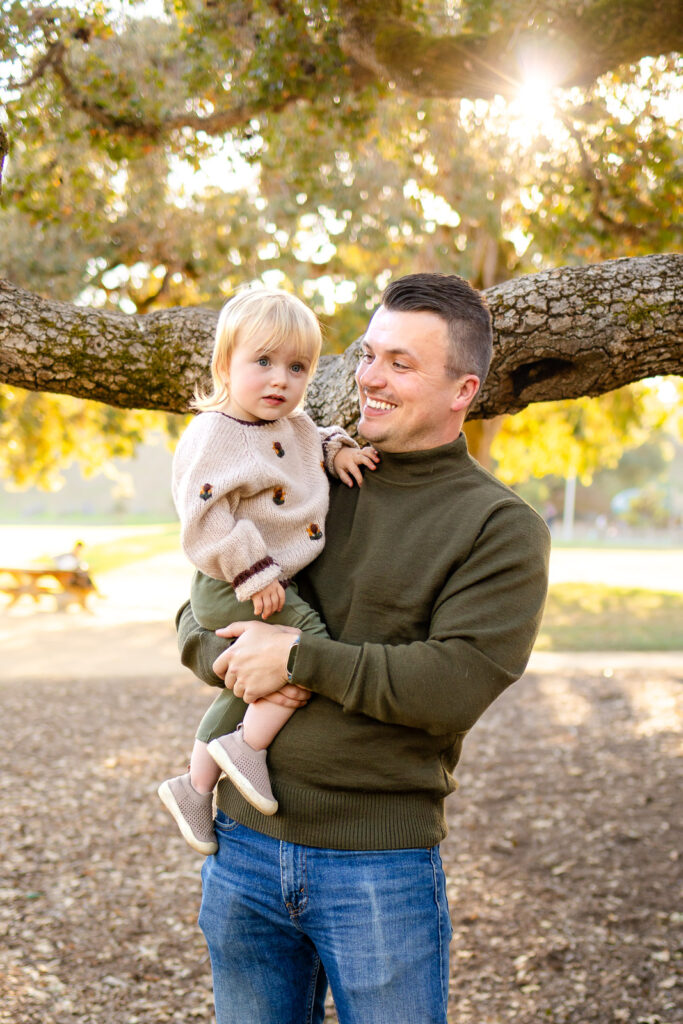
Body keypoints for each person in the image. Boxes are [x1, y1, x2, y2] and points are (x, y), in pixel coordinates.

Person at [176, 272, 551, 1024]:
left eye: (401, 364)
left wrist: (293, 659)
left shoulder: (498, 527)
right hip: (245, 850)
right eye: (367, 354)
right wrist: (223, 654)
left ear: (462, 390)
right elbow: (196, 617)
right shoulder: (305, 475)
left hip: (377, 865)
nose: (369, 378)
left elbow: (450, 685)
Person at [158, 288, 377, 856]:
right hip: (235, 578)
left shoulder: (292, 420)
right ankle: (248, 749)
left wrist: (339, 451)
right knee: (304, 654)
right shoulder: (215, 435)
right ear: (225, 363)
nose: (281, 379)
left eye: (297, 367)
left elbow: (311, 440)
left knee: (249, 680)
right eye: (263, 362)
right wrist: (254, 575)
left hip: (266, 577)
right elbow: (203, 523)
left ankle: (195, 783)